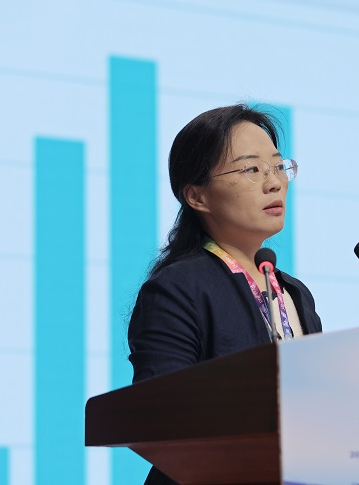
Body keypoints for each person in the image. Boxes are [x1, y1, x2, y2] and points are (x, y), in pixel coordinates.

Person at [127, 104, 322, 484]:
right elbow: (161, 419)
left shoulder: (294, 292)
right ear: (197, 196)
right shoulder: (177, 289)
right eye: (251, 170)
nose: (274, 183)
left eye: (278, 167)